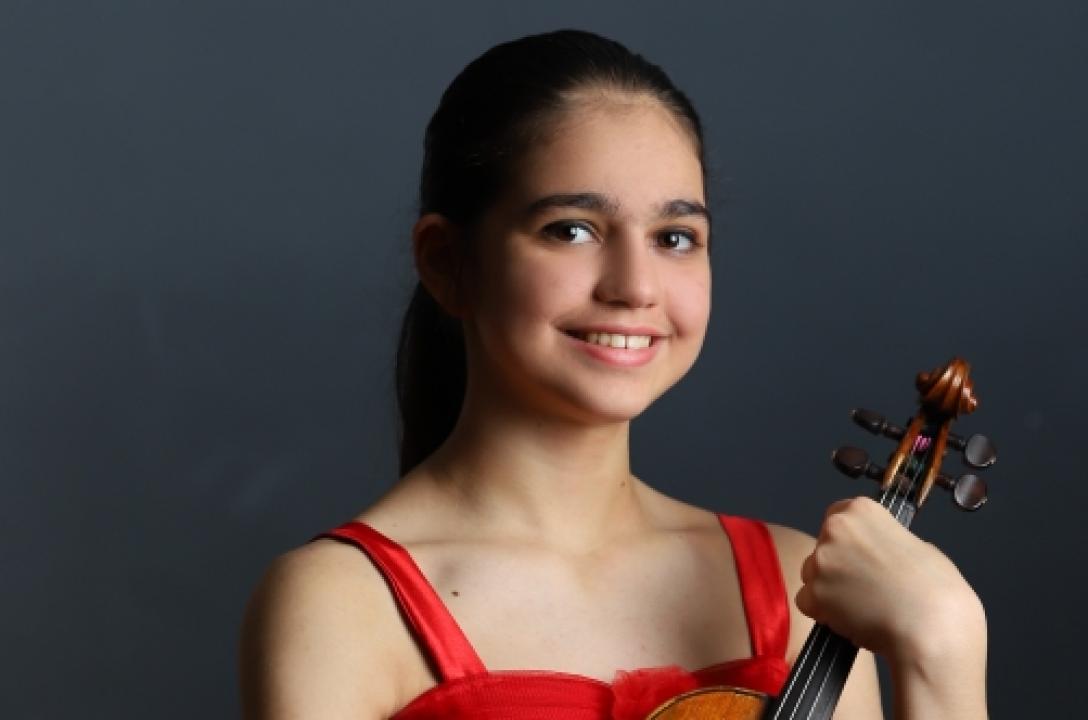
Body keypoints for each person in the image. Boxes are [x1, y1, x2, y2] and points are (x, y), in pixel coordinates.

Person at [238, 29, 988, 720]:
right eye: (572, 230)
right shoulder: (338, 605)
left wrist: (944, 647)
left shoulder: (803, 587)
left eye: (675, 237)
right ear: (447, 263)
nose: (634, 286)